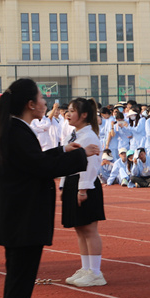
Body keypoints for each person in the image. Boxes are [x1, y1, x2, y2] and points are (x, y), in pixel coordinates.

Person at [0, 79, 95, 298]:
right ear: (30, 104)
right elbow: (39, 167)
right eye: (41, 98)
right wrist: (79, 157)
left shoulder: (17, 129)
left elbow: (35, 160)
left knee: (18, 283)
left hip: (19, 219)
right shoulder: (17, 130)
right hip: (23, 220)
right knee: (19, 285)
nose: (46, 103)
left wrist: (63, 152)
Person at [61, 98, 108, 288]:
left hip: (85, 185)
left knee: (89, 229)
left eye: (72, 111)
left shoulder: (89, 137)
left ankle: (96, 273)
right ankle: (86, 268)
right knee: (79, 229)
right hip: (73, 182)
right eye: (68, 110)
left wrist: (83, 189)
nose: (68, 114)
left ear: (84, 115)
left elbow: (91, 165)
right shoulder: (74, 134)